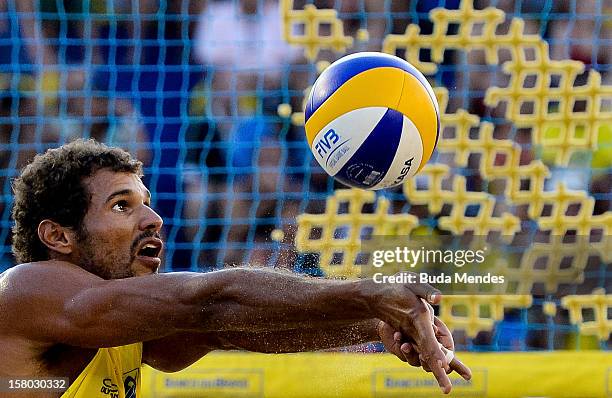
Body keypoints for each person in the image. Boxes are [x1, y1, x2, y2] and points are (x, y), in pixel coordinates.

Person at [0, 139, 471, 397]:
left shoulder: (123, 325)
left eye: (146, 203)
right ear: (57, 236)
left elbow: (230, 327)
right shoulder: (25, 291)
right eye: (122, 206)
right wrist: (367, 295)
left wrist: (373, 326)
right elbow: (208, 301)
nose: (154, 219)